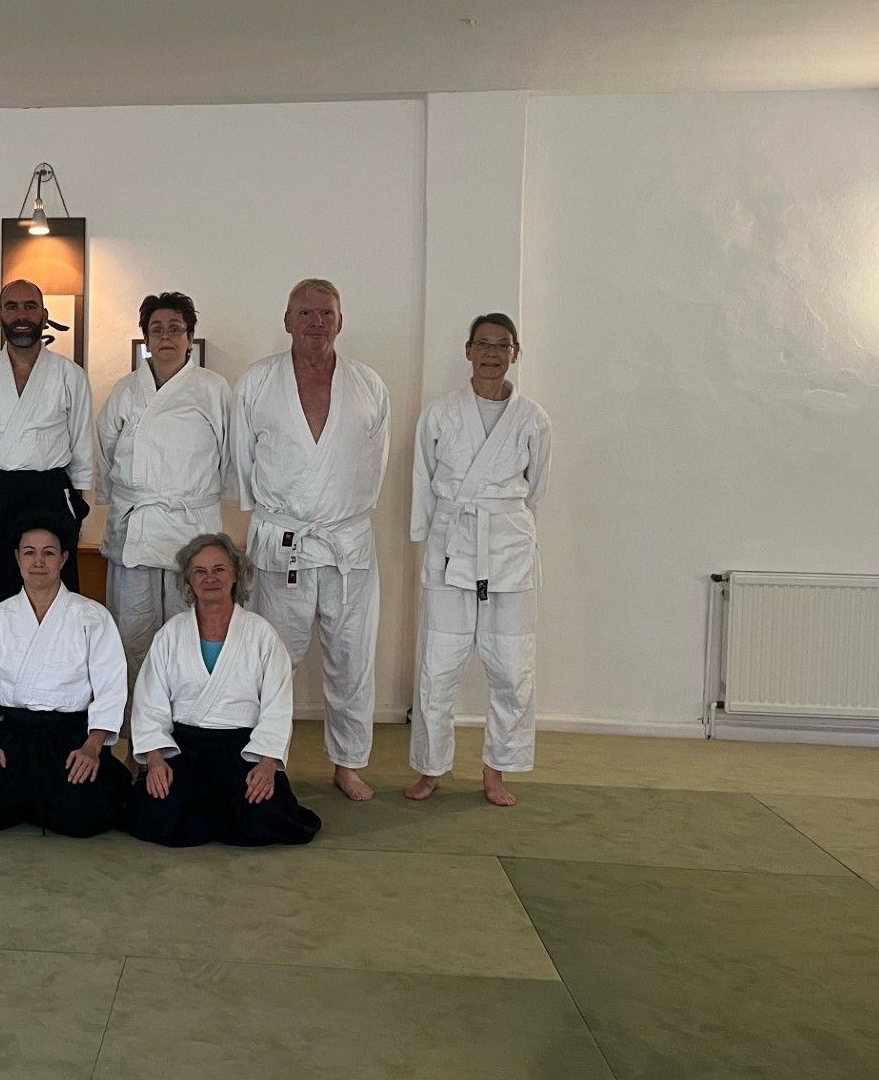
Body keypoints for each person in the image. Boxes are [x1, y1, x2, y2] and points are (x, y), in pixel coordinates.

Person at [233, 278, 390, 801]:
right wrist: (269, 516)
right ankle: (265, 759)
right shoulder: (258, 382)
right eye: (305, 313)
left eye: (326, 313)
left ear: (340, 321)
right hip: (282, 540)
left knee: (352, 659)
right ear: (287, 320)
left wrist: (342, 510)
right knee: (272, 659)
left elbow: (375, 465)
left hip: (348, 542)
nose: (316, 322)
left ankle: (348, 764)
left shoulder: (369, 385)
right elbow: (242, 461)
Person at [405, 313, 552, 807]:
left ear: (515, 353)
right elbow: (423, 480)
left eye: (502, 345)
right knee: (437, 668)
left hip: (509, 550)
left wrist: (512, 532)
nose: (492, 354)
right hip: (451, 549)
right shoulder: (440, 414)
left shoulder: (533, 419)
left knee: (512, 670)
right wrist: (427, 539)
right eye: (483, 344)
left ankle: (496, 771)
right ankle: (431, 768)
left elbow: (537, 491)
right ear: (468, 350)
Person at [126, 533, 321, 847]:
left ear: (235, 575)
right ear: (188, 580)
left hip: (241, 751)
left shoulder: (261, 634)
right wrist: (156, 760)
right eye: (200, 571)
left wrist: (267, 764)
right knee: (156, 813)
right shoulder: (171, 635)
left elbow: (277, 706)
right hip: (185, 750)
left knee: (265, 816)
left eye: (219, 569)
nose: (210, 578)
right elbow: (150, 702)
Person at [0, 279, 94, 679]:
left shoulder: (69, 375)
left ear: (44, 315)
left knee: (50, 594)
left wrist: (74, 513)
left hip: (48, 494)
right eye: (12, 307)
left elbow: (81, 449)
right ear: (0, 316)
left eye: (30, 307)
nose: (21, 315)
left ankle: (54, 685)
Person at [0, 518, 132, 837]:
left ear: (63, 559)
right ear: (17, 557)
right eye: (29, 552)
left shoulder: (92, 617)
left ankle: (38, 798)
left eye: (48, 553)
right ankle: (34, 798)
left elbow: (111, 687)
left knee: (85, 819)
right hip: (13, 735)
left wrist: (92, 747)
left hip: (70, 737)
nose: (38, 562)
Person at [96, 291, 232, 690]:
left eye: (175, 328)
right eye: (157, 329)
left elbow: (231, 454)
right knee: (132, 634)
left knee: (188, 629)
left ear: (189, 337)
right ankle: (137, 725)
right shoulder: (125, 390)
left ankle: (185, 720)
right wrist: (111, 499)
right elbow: (104, 451)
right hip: (137, 525)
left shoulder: (212, 389)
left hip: (191, 525)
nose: (166, 336)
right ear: (146, 339)